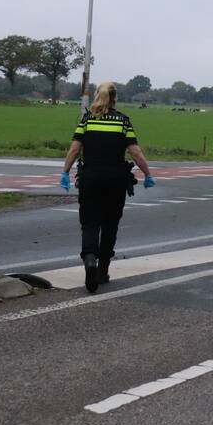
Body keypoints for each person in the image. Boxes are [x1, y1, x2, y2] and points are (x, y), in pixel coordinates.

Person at [60, 82, 156, 292]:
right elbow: (135, 152)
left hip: (90, 179)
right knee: (110, 225)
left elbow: (75, 149)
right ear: (115, 99)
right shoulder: (123, 121)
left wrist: (65, 172)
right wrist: (148, 174)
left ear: (97, 96)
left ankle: (90, 258)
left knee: (90, 222)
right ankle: (103, 270)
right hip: (115, 180)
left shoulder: (87, 120)